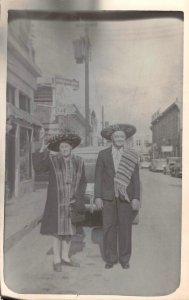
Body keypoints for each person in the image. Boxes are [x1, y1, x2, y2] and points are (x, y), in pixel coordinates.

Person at [32, 131, 86, 272]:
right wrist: (42, 148)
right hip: (57, 203)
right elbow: (38, 168)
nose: (65, 149)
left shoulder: (79, 161)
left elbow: (83, 182)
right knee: (57, 232)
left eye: (67, 146)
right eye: (62, 147)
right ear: (59, 149)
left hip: (72, 202)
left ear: (71, 147)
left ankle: (65, 257)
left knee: (68, 231)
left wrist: (78, 196)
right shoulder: (53, 161)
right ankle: (56, 260)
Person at [94, 123, 140, 269]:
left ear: (125, 139)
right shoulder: (103, 154)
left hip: (126, 197)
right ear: (111, 138)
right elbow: (98, 177)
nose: (119, 138)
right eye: (116, 136)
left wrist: (136, 197)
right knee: (108, 228)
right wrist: (98, 197)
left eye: (122, 136)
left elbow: (136, 179)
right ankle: (110, 258)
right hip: (108, 198)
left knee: (125, 228)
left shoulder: (131, 155)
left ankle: (125, 259)